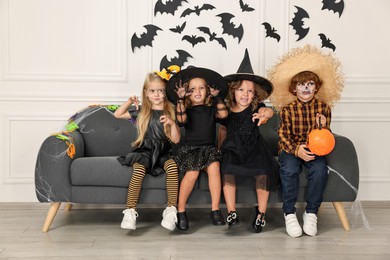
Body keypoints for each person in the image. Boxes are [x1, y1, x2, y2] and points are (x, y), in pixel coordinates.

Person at [267, 45, 344, 237]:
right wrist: (296, 150)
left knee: (319, 170)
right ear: (293, 88)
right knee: (289, 169)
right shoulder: (287, 109)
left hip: (314, 148)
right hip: (291, 148)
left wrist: (324, 127)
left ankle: (311, 212)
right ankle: (289, 212)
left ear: (316, 87)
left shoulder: (323, 108)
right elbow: (283, 135)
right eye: (301, 85)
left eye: (310, 84)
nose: (306, 88)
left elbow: (325, 137)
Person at [219, 49, 279, 232]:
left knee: (263, 172)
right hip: (232, 148)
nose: (245, 94)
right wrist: (219, 149)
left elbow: (269, 111)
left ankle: (261, 214)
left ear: (255, 94)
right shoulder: (227, 109)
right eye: (241, 90)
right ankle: (231, 212)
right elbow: (222, 130)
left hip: (254, 147)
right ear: (233, 91)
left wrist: (265, 115)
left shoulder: (257, 107)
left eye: (250, 91)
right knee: (227, 169)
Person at [115, 71, 181, 231]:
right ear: (146, 93)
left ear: (165, 93)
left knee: (173, 168)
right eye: (152, 91)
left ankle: (171, 210)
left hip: (164, 152)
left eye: (161, 90)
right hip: (144, 151)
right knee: (138, 171)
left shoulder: (171, 111)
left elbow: (177, 140)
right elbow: (117, 114)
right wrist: (130, 101)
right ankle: (130, 211)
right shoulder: (142, 112)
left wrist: (172, 124)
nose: (157, 94)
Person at [166, 66, 228, 231]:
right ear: (187, 92)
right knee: (192, 172)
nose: (197, 92)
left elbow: (223, 116)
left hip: (209, 149)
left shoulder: (211, 108)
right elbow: (181, 120)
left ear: (208, 91)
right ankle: (181, 211)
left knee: (215, 166)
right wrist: (179, 100)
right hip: (192, 149)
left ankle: (215, 210)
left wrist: (218, 97)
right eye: (192, 89)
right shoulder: (186, 110)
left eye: (202, 88)